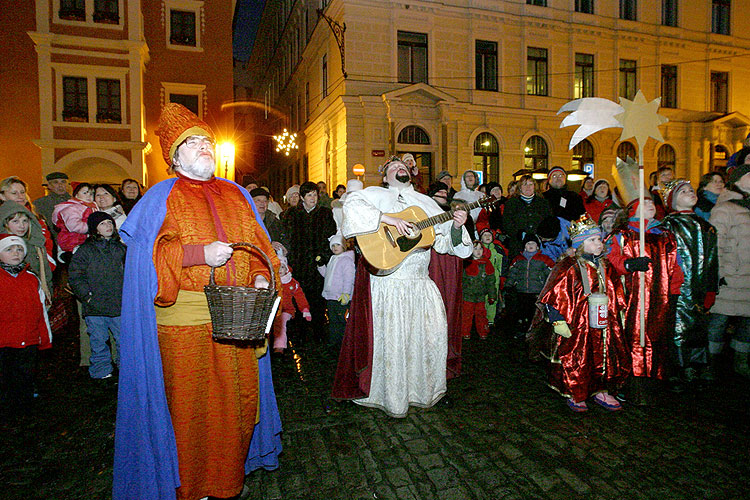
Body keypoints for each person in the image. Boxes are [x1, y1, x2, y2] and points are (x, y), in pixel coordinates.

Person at [112, 103, 282, 500]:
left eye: (208, 140)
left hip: (237, 320)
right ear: (174, 155)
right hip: (183, 326)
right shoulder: (160, 198)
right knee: (189, 410)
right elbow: (146, 259)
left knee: (238, 407)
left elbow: (259, 247)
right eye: (194, 142)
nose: (205, 147)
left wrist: (259, 275)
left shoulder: (236, 193)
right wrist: (197, 255)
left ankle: (227, 480)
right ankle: (191, 486)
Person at [332, 156, 472, 417]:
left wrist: (455, 226)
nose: (400, 169)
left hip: (419, 282)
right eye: (393, 168)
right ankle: (389, 396)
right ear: (385, 177)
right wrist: (388, 219)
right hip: (388, 284)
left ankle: (424, 391)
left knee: (426, 335)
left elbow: (446, 245)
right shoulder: (373, 194)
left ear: (412, 173)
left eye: (404, 167)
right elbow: (350, 208)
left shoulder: (427, 203)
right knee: (391, 339)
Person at [537, 215, 630, 412]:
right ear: (580, 245)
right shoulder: (569, 266)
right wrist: (557, 319)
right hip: (578, 323)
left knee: (605, 355)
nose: (598, 243)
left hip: (604, 321)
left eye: (599, 239)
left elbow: (617, 292)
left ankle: (602, 389)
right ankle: (576, 391)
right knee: (578, 356)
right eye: (592, 240)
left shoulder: (606, 266)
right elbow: (553, 293)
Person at [608, 198, 683, 405]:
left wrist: (675, 289)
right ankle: (629, 381)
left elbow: (675, 263)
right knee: (632, 336)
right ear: (633, 209)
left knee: (657, 335)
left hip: (660, 297)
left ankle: (653, 381)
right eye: (644, 203)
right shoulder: (623, 235)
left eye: (652, 203)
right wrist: (629, 264)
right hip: (632, 297)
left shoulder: (665, 235)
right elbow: (612, 259)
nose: (650, 206)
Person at [659, 180, 719, 390]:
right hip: (678, 287)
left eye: (691, 190)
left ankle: (697, 365)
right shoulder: (668, 225)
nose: (690, 193)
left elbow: (712, 259)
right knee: (678, 328)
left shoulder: (707, 227)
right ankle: (677, 368)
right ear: (673, 201)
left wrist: (712, 288)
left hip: (699, 287)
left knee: (698, 327)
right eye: (683, 192)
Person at [708, 151, 750, 379]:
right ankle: (711, 361)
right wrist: (721, 273)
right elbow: (717, 244)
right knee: (720, 320)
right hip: (731, 276)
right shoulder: (725, 208)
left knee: (747, 322)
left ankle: (740, 360)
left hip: (749, 276)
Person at [68, 212, 125, 380]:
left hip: (118, 305)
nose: (108, 226)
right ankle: (101, 372)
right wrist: (86, 296)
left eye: (110, 222)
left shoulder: (121, 249)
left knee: (123, 340)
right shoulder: (86, 251)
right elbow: (76, 275)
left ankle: (125, 370)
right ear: (94, 229)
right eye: (102, 224)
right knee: (98, 342)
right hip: (95, 307)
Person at [0, 234, 51, 416]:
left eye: (19, 249)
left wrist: (45, 338)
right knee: (6, 378)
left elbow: (41, 311)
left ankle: (25, 409)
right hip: (4, 342)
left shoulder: (31, 278)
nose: (16, 253)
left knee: (25, 375)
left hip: (28, 339)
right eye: (9, 249)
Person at [284, 181, 337, 334]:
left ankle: (318, 328)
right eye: (309, 195)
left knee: (317, 298)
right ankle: (300, 329)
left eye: (315, 195)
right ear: (302, 197)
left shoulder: (325, 214)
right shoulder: (292, 214)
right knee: (299, 295)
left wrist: (323, 256)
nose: (313, 198)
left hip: (317, 264)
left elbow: (331, 237)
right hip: (299, 263)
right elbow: (287, 238)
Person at [426, 181, 465, 379]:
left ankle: (443, 357)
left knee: (446, 308)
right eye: (437, 192)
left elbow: (461, 243)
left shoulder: (455, 214)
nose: (442, 194)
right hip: (426, 265)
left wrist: (457, 227)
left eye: (445, 192)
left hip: (449, 265)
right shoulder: (420, 213)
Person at [0, 201, 55, 304]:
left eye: (25, 221)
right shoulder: (2, 247)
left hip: (36, 296)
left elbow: (46, 273)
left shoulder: (36, 244)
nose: (22, 226)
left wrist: (48, 293)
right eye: (15, 221)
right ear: (5, 223)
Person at [505, 233, 555, 336]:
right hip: (521, 290)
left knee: (534, 312)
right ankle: (522, 329)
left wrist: (550, 287)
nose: (530, 245)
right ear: (524, 246)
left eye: (533, 243)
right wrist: (508, 285)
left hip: (537, 291)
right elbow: (512, 273)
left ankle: (534, 331)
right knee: (522, 311)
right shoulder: (518, 259)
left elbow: (550, 274)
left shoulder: (544, 259)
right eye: (528, 243)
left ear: (537, 246)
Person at [317, 234, 355, 351]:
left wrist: (346, 294)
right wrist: (321, 265)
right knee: (333, 321)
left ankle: (344, 344)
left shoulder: (347, 260)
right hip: (331, 296)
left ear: (344, 246)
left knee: (342, 321)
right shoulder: (333, 259)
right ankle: (334, 342)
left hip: (341, 297)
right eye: (332, 245)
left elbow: (349, 278)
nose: (335, 247)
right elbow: (327, 275)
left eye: (338, 244)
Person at [503, 174, 553, 257]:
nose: (528, 187)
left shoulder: (543, 203)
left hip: (540, 245)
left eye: (530, 184)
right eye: (524, 184)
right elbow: (507, 223)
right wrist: (521, 235)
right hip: (518, 245)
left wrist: (540, 236)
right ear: (519, 187)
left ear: (534, 187)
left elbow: (549, 221)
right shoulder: (511, 203)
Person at [273, 256, 311, 355]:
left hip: (286, 309)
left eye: (282, 267)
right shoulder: (272, 281)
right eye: (277, 267)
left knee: (280, 324)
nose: (279, 270)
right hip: (272, 309)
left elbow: (300, 296)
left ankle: (279, 346)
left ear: (286, 268)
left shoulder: (291, 282)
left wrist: (305, 309)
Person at [461, 242, 496, 340]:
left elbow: (491, 282)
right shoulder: (466, 263)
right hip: (468, 295)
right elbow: (461, 280)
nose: (478, 251)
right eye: (475, 249)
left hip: (481, 296)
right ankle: (465, 332)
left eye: (480, 249)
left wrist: (492, 295)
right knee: (466, 315)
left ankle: (483, 332)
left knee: (481, 315)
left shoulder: (486, 264)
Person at [52, 182, 96, 255]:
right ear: (76, 194)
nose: (89, 196)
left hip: (84, 239)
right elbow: (74, 225)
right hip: (71, 240)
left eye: (91, 194)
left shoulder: (91, 206)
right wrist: (92, 228)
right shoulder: (71, 208)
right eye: (85, 193)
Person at [250, 187, 288, 255]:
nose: (262, 203)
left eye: (265, 201)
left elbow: (284, 238)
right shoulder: (246, 221)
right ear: (251, 202)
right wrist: (268, 245)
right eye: (258, 200)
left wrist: (285, 248)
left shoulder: (274, 221)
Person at [33, 172, 71, 238]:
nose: (60, 185)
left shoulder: (75, 202)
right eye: (56, 182)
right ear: (49, 185)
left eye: (63, 182)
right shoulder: (40, 203)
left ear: (67, 185)